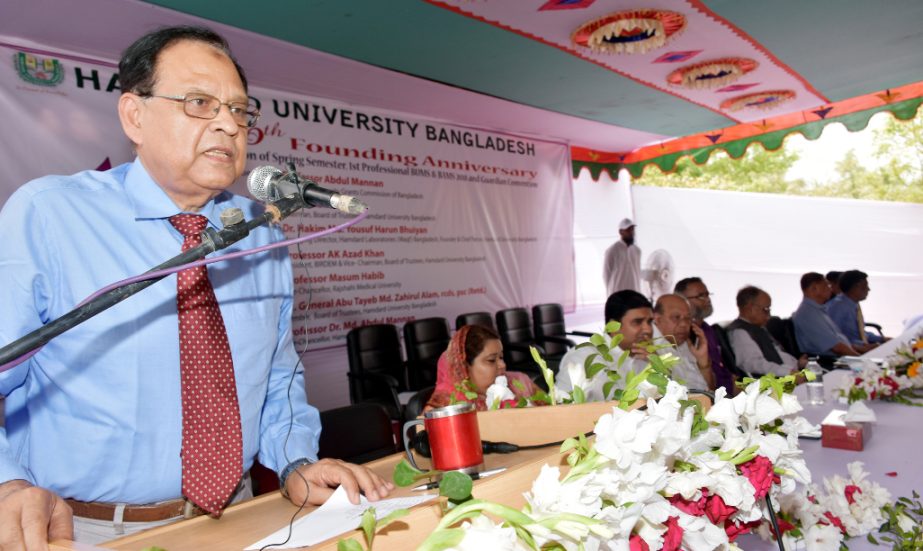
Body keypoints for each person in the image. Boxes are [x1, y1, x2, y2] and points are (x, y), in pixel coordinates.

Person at [0, 26, 391, 547]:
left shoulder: (260, 229)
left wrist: (296, 459)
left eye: (240, 110)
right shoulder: (51, 215)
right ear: (134, 116)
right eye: (200, 103)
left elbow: (277, 376)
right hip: (87, 529)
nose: (228, 124)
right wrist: (8, 485)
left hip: (240, 514)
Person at [556, 290, 654, 401]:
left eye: (650, 322)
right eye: (637, 322)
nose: (648, 329)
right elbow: (618, 402)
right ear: (613, 326)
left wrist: (656, 365)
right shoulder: (586, 357)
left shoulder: (644, 356)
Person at [425, 325, 537, 411]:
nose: (502, 365)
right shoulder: (446, 404)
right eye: (491, 360)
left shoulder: (518, 383)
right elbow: (420, 433)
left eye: (501, 357)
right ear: (465, 367)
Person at [674, 277, 736, 395]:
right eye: (700, 296)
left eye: (707, 294)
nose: (707, 299)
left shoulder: (707, 329)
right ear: (682, 301)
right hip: (708, 395)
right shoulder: (684, 334)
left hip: (727, 390)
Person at [727, 286, 807, 376]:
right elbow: (753, 364)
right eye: (766, 309)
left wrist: (797, 363)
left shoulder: (757, 328)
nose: (769, 314)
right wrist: (790, 373)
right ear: (751, 309)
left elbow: (777, 354)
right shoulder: (740, 333)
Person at [652, 295, 715, 391]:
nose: (684, 324)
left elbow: (710, 390)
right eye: (676, 317)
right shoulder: (649, 348)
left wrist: (704, 364)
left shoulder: (684, 342)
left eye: (688, 318)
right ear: (657, 319)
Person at [792, 272, 862, 357]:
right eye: (826, 286)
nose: (830, 289)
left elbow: (839, 340)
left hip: (842, 356)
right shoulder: (808, 315)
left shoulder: (818, 310)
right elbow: (837, 348)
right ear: (814, 288)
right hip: (828, 361)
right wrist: (862, 360)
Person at [825, 269, 888, 349]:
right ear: (855, 287)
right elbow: (834, 338)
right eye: (865, 286)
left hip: (860, 347)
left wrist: (881, 339)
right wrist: (863, 347)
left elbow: (860, 333)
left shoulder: (852, 305)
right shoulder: (838, 307)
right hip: (849, 352)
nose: (868, 289)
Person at [602, 218, 641, 295]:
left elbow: (637, 272)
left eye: (632, 229)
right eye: (628, 230)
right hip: (617, 294)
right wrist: (610, 293)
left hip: (634, 292)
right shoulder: (612, 250)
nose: (631, 232)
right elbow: (606, 274)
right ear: (620, 232)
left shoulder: (637, 251)